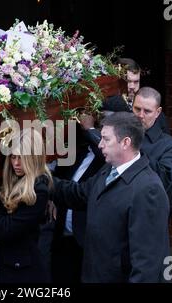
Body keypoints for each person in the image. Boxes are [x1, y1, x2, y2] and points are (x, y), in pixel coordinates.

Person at [52, 112, 170, 282]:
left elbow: (147, 263)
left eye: (106, 139)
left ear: (125, 142)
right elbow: (78, 194)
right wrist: (41, 179)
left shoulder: (148, 189)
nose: (100, 145)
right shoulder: (108, 170)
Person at [47, 95, 131, 283]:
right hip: (64, 238)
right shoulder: (81, 150)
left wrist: (90, 129)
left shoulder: (113, 162)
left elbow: (82, 192)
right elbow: (63, 179)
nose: (103, 127)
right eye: (101, 120)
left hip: (89, 244)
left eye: (108, 123)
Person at [0, 128, 53, 283]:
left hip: (19, 273)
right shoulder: (10, 180)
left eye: (22, 158)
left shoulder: (39, 189)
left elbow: (6, 229)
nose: (16, 163)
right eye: (13, 157)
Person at [132, 87, 172, 217]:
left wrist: (134, 149)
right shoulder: (120, 135)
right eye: (137, 109)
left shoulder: (170, 145)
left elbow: (163, 179)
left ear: (157, 112)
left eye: (147, 111)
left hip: (151, 210)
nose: (140, 115)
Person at [118, 57, 170, 134]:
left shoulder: (155, 112)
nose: (132, 86)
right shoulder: (103, 106)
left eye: (136, 82)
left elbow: (165, 141)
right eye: (128, 81)